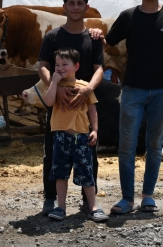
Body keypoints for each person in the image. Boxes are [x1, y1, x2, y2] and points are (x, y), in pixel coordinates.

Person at [102, 0, 163, 214]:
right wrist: (96, 34)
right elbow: (108, 43)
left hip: (162, 91)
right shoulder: (128, 16)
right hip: (133, 90)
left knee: (154, 144)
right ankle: (127, 199)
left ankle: (148, 196)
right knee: (126, 145)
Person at [38, 0, 107, 221]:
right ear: (64, 6)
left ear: (86, 7)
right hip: (58, 106)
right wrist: (54, 89)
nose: (75, 7)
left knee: (89, 154)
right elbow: (43, 66)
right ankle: (52, 199)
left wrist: (88, 89)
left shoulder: (94, 38)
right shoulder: (52, 36)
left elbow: (100, 69)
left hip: (84, 104)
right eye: (71, 3)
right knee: (53, 153)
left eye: (80, 3)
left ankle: (90, 202)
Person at [43, 49, 106, 222]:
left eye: (65, 64)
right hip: (61, 137)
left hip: (81, 137)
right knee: (60, 173)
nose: (60, 68)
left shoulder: (85, 86)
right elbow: (48, 102)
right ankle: (61, 207)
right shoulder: (55, 87)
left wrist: (94, 130)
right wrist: (54, 82)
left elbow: (92, 109)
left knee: (86, 172)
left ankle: (92, 206)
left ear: (76, 66)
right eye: (57, 65)